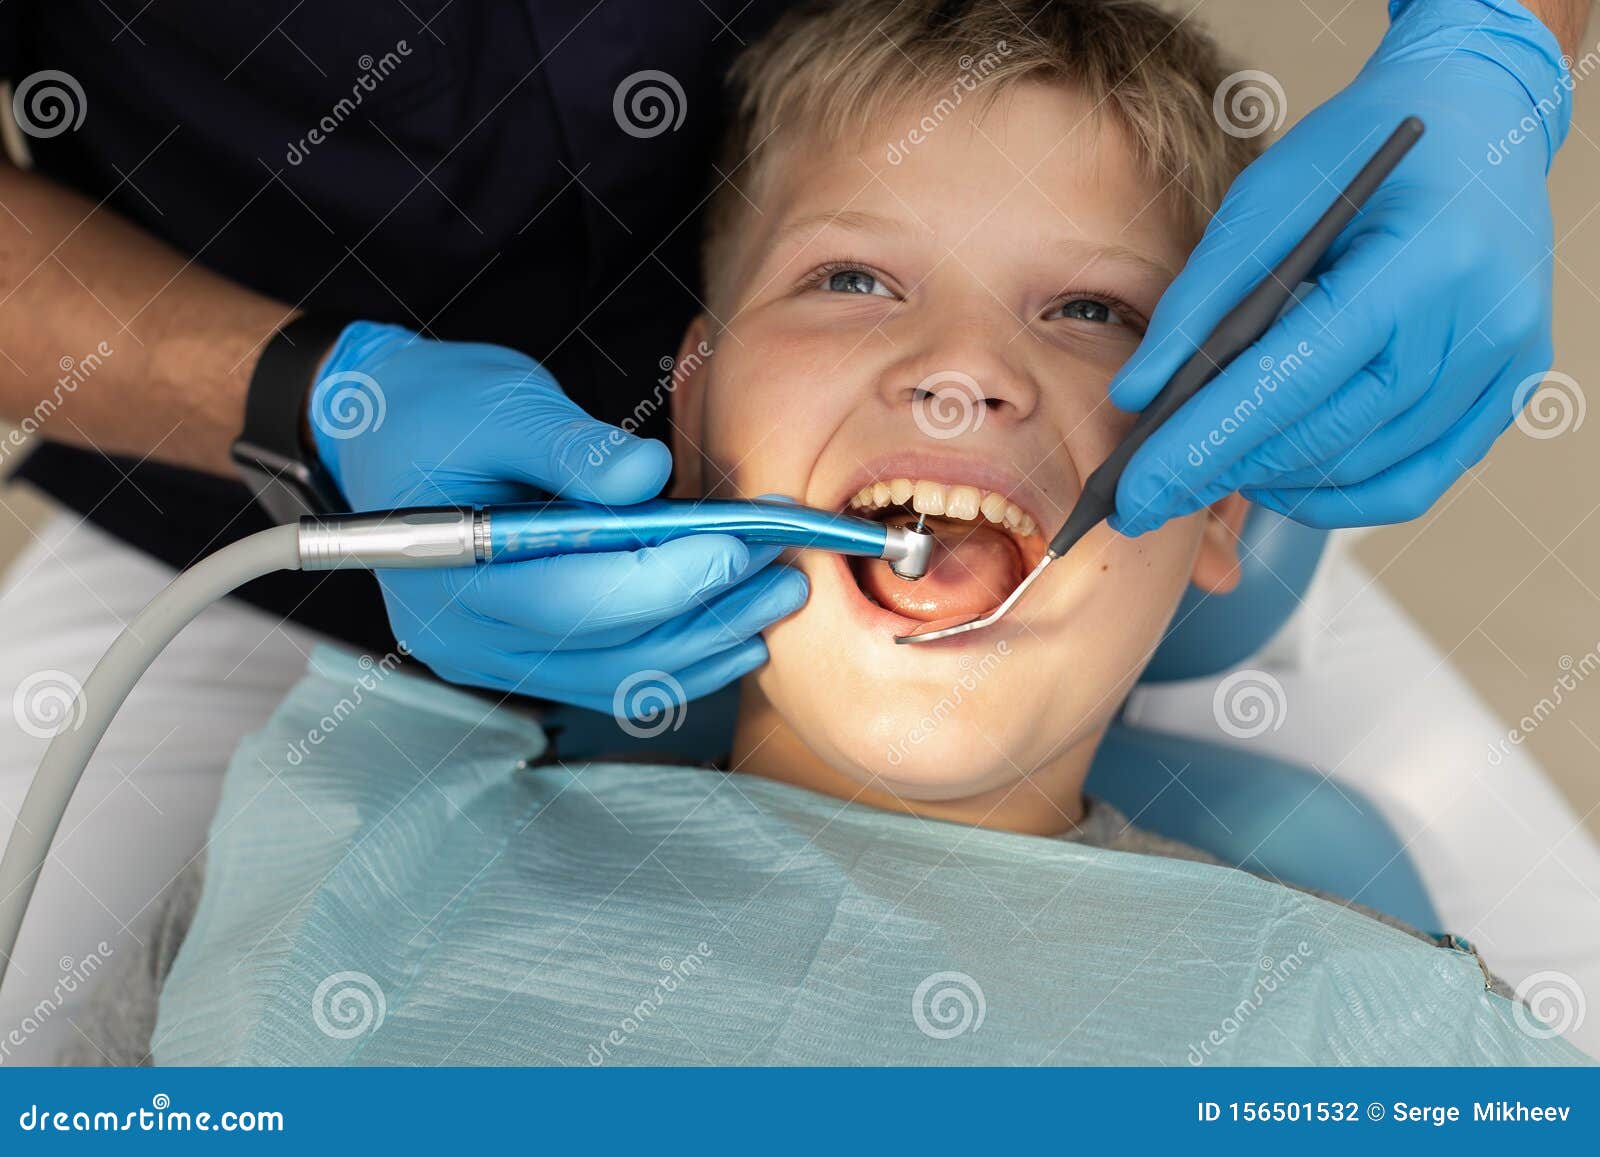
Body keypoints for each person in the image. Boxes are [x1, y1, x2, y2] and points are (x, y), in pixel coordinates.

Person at [65, 0, 1557, 1065]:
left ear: (1226, 485)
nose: (965, 366)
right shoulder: (323, 869)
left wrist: (1499, 48)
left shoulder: (1383, 1051)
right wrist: (297, 393)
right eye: (853, 279)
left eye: (1092, 309)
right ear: (693, 413)